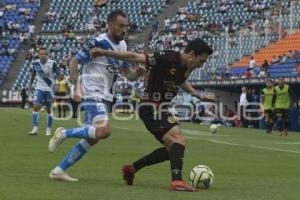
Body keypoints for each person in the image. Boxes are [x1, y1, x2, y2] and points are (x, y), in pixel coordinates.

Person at [89, 38, 214, 191]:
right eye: (201, 61)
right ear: (192, 54)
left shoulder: (186, 67)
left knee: (173, 149)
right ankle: (176, 182)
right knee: (178, 139)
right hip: (150, 107)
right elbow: (134, 57)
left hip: (161, 108)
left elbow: (180, 81)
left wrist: (197, 95)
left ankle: (132, 168)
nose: (201, 65)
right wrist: (104, 52)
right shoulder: (166, 58)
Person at [48, 10, 143, 182]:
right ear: (110, 25)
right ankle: (63, 133)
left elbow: (128, 74)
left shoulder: (122, 47)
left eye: (126, 27)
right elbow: (74, 61)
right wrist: (76, 87)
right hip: (92, 91)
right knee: (104, 131)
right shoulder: (98, 42)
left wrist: (138, 73)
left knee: (92, 138)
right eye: (121, 26)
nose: (124, 30)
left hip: (105, 96)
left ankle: (58, 170)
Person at [29, 47, 60, 136]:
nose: (43, 56)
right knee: (36, 107)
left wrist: (57, 84)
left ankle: (48, 129)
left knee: (49, 110)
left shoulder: (52, 63)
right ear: (39, 55)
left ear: (47, 55)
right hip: (39, 88)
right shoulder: (35, 63)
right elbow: (33, 74)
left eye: (44, 54)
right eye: (41, 54)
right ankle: (35, 128)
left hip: (49, 89)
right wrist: (30, 84)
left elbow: (59, 74)